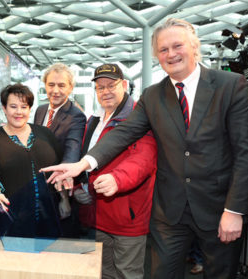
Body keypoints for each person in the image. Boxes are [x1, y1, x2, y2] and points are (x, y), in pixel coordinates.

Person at [42, 18, 248, 279]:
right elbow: (124, 132)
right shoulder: (153, 95)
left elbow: (247, 152)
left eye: (177, 46)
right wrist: (83, 164)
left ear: (194, 46)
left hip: (219, 209)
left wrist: (234, 211)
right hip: (169, 213)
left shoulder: (230, 85)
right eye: (163, 49)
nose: (171, 54)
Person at [74, 63, 157, 278]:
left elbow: (143, 160)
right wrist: (78, 185)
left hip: (127, 218)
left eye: (111, 85)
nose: (105, 91)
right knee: (104, 272)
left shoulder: (139, 118)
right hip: (98, 215)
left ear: (125, 85)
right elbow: (86, 159)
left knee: (127, 274)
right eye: (100, 87)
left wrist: (117, 180)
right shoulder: (93, 121)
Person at [0, 84, 63, 238]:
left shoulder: (45, 134)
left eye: (24, 107)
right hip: (12, 219)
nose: (19, 112)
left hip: (49, 216)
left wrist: (65, 200)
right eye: (13, 106)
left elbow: (59, 167)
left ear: (29, 109)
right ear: (4, 108)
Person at [33, 63, 86, 237]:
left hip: (60, 190)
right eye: (51, 85)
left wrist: (63, 198)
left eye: (61, 85)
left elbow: (72, 150)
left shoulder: (76, 116)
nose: (55, 90)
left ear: (70, 88)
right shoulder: (40, 111)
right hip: (38, 190)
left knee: (62, 247)